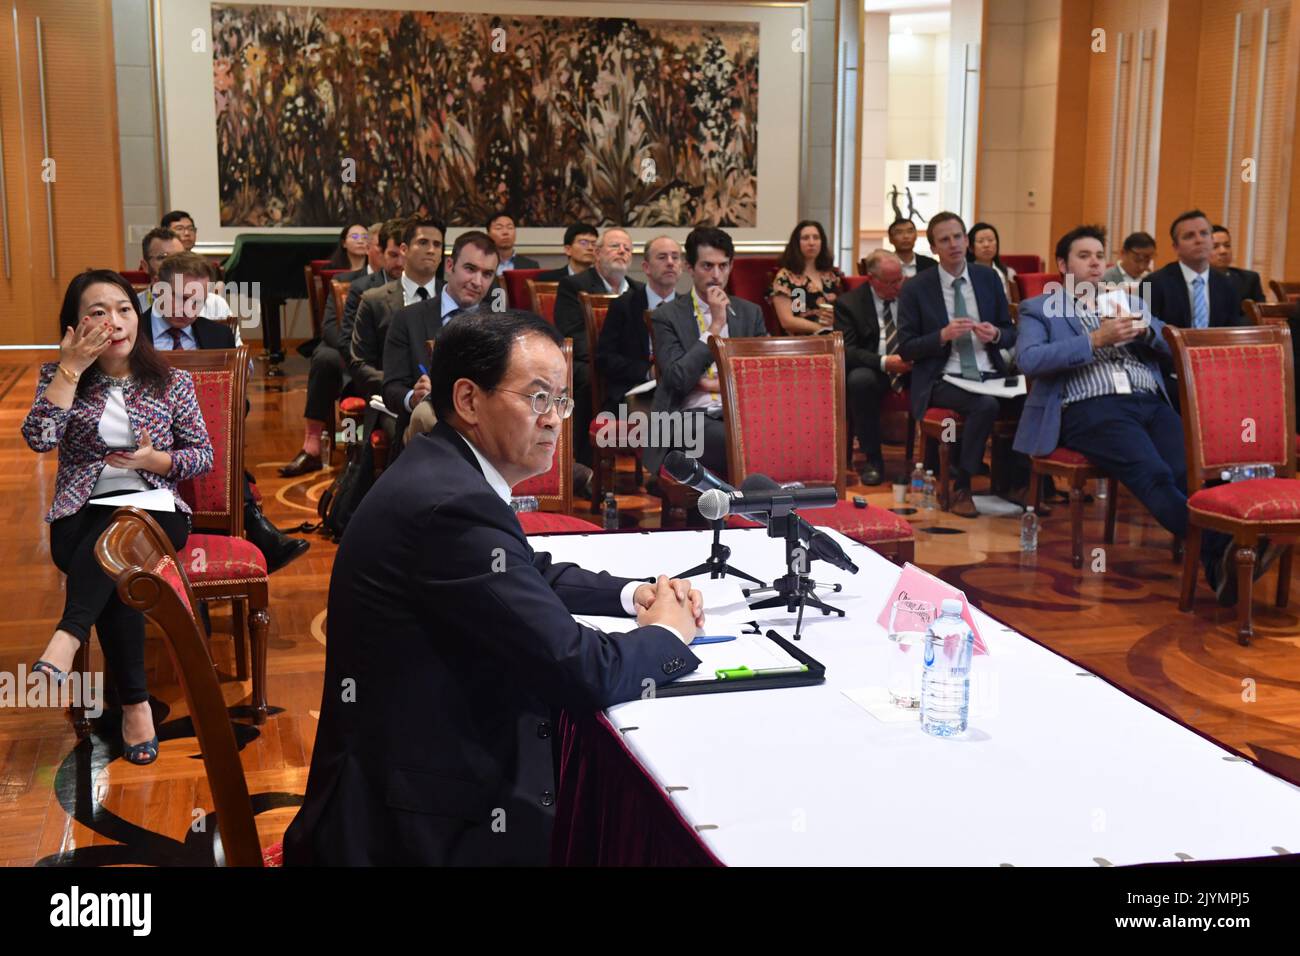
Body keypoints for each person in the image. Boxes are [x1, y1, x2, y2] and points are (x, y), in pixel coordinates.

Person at [283, 311, 703, 865]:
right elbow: (579, 669)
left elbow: (522, 569)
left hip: (408, 774)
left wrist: (633, 595)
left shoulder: (444, 469)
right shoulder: (452, 505)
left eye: (562, 400)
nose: (555, 420)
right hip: (417, 827)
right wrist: (669, 638)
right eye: (537, 398)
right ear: (469, 399)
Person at [1014, 225, 1270, 605]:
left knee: (1191, 472)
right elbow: (1029, 360)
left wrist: (1147, 333)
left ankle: (1221, 559)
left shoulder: (1127, 300)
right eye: (1084, 256)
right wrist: (1094, 340)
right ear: (1062, 264)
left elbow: (1177, 346)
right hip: (1091, 408)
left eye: (1099, 256)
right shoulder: (1040, 308)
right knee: (1155, 474)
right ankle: (1225, 546)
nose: (1095, 263)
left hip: (1148, 400)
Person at [24, 270, 213, 765]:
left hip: (156, 510)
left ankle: (69, 635)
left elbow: (202, 455)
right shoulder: (58, 377)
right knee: (120, 565)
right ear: (74, 326)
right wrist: (69, 369)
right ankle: (135, 707)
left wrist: (157, 462)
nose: (114, 321)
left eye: (124, 309)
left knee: (122, 538)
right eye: (98, 312)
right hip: (81, 515)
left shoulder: (172, 382)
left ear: (138, 317)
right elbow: (40, 439)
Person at [896, 211, 1019, 518]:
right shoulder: (916, 288)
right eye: (944, 240)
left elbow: (1010, 331)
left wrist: (996, 334)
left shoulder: (988, 278)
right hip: (944, 377)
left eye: (958, 237)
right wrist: (942, 335)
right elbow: (907, 349)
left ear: (967, 240)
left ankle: (1017, 483)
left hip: (988, 369)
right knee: (986, 405)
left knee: (1033, 397)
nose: (953, 244)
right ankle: (962, 485)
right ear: (934, 248)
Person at [281, 218, 402, 477]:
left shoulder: (416, 286)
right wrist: (357, 354)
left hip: (391, 361)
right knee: (324, 355)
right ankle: (312, 446)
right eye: (386, 251)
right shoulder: (350, 283)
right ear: (374, 249)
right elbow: (331, 329)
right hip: (353, 356)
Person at [647, 227, 767, 479]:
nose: (716, 275)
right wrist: (714, 326)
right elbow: (678, 380)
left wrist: (707, 383)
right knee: (738, 442)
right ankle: (755, 506)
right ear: (690, 268)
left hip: (739, 413)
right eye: (707, 266)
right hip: (685, 418)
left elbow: (759, 377)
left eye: (723, 266)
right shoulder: (666, 316)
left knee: (770, 433)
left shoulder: (750, 313)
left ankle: (750, 508)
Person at [385, 230, 499, 443]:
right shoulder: (408, 319)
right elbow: (391, 389)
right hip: (425, 428)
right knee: (427, 417)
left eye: (487, 274)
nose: (477, 282)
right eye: (470, 269)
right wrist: (414, 397)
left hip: (483, 429)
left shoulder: (498, 325)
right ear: (449, 266)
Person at [553, 228, 642, 466]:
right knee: (588, 379)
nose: (622, 251)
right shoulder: (573, 286)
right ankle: (585, 463)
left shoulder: (639, 291)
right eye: (615, 246)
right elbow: (573, 334)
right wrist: (609, 360)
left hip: (626, 364)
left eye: (627, 248)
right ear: (597, 254)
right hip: (589, 360)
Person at [834, 250, 912, 486]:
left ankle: (933, 462)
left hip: (910, 364)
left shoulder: (911, 295)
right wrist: (885, 362)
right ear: (872, 279)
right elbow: (847, 350)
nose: (897, 286)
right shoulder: (849, 304)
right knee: (859, 381)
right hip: (874, 367)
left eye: (900, 279)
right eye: (890, 282)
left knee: (941, 375)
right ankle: (873, 459)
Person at [597, 236, 681, 414]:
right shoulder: (624, 305)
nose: (670, 263)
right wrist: (648, 372)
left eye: (675, 257)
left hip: (680, 389)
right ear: (646, 267)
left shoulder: (688, 307)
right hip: (636, 389)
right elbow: (605, 358)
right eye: (662, 257)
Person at [1147, 210, 1244, 329]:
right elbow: (1139, 335)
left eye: (1204, 233)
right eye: (1189, 236)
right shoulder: (1150, 283)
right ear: (1176, 247)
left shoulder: (1228, 284)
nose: (1199, 240)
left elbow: (1232, 332)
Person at [768, 219, 844, 335]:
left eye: (816, 238)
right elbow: (787, 321)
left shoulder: (831, 276)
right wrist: (819, 329)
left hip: (832, 338)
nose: (811, 242)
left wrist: (834, 320)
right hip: (800, 343)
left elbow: (843, 312)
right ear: (796, 243)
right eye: (805, 238)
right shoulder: (786, 277)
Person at [1210, 224, 1265, 304]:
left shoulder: (1249, 280)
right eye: (1215, 247)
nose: (1223, 251)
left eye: (1227, 245)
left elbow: (1259, 314)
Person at [966, 222, 1018, 304]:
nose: (986, 245)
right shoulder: (965, 273)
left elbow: (1014, 304)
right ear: (970, 247)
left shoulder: (1008, 273)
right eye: (980, 241)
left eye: (991, 240)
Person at [136, 227, 184, 309]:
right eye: (163, 257)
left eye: (179, 257)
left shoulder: (208, 303)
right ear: (145, 266)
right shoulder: (134, 306)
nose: (173, 263)